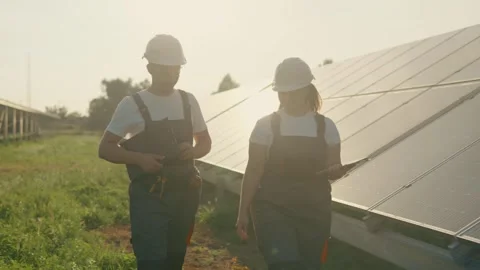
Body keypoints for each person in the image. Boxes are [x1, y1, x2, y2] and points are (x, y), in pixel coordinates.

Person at [98, 34, 211, 269]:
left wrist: (192, 151)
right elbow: (105, 148)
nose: (172, 73)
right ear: (150, 68)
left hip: (184, 195)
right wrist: (139, 159)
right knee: (151, 262)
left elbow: (205, 143)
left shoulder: (188, 101)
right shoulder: (132, 104)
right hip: (149, 197)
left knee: (174, 260)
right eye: (165, 68)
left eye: (176, 68)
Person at [236, 57, 348, 270]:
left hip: (314, 210)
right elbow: (253, 170)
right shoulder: (265, 126)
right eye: (282, 92)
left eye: (293, 91)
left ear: (307, 89)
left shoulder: (326, 127)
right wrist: (242, 212)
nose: (287, 97)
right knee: (283, 264)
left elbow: (335, 168)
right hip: (272, 208)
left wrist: (336, 170)